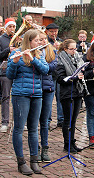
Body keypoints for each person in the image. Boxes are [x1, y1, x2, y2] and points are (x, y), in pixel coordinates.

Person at [7, 29, 49, 175]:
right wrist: (15, 62)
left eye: (40, 40)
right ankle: (21, 162)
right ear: (29, 41)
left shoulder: (38, 54)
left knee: (33, 129)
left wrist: (33, 59)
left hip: (37, 94)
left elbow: (45, 70)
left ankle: (34, 161)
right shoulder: (15, 53)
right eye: (37, 40)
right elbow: (9, 75)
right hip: (20, 95)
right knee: (18, 128)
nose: (40, 43)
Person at [55, 39, 85, 153]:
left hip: (77, 91)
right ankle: (66, 144)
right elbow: (60, 78)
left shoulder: (77, 58)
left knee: (74, 120)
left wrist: (83, 73)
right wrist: (75, 78)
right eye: (71, 49)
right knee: (67, 120)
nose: (74, 51)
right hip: (67, 93)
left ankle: (72, 142)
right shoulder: (60, 59)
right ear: (65, 49)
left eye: (75, 49)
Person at [37, 31, 57, 163]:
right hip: (36, 88)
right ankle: (35, 149)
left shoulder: (51, 51)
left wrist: (43, 66)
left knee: (45, 120)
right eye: (41, 39)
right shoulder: (33, 52)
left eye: (45, 39)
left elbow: (54, 66)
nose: (44, 41)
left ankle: (45, 147)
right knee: (34, 121)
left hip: (48, 88)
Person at [0, 18, 17, 133]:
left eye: (14, 27)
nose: (12, 29)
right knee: (5, 97)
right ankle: (5, 122)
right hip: (5, 71)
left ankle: (19, 122)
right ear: (6, 27)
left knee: (18, 97)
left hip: (17, 71)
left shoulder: (18, 39)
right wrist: (8, 49)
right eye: (10, 27)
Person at [45, 23, 63, 128]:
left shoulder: (60, 42)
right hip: (50, 73)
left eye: (55, 31)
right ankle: (47, 121)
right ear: (47, 32)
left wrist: (59, 49)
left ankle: (61, 119)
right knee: (49, 99)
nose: (53, 33)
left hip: (59, 73)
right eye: (51, 31)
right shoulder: (45, 42)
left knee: (60, 97)